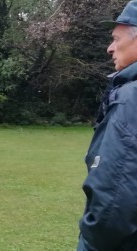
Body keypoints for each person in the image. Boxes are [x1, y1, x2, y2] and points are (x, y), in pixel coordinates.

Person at [77, 1, 137, 250]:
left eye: (115, 39)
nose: (109, 48)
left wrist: (91, 241)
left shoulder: (131, 99)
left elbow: (113, 203)